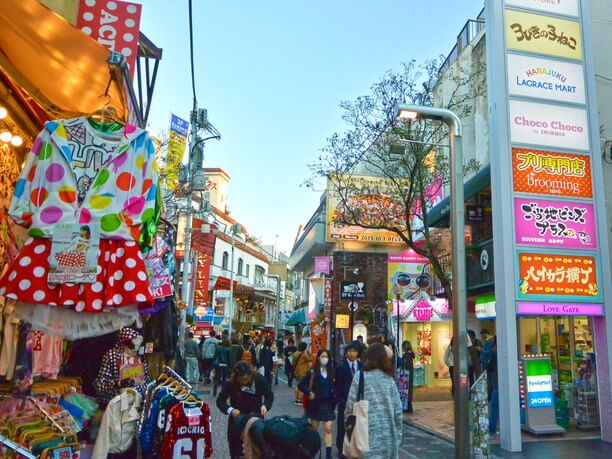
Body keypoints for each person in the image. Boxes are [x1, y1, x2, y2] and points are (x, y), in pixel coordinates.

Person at [345, 343, 402, 459]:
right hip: (388, 438)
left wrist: (350, 431)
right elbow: (398, 411)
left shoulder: (359, 376)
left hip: (363, 438)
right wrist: (397, 437)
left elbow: (349, 408)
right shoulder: (389, 380)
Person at [216, 361, 274, 459]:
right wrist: (230, 410)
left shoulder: (259, 379)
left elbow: (269, 396)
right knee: (236, 451)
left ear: (251, 375)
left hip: (255, 420)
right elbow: (220, 400)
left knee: (257, 449)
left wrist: (265, 406)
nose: (244, 382)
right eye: (241, 380)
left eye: (247, 379)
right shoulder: (231, 383)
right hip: (237, 420)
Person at [299, 349, 336, 459]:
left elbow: (335, 386)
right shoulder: (313, 372)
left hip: (328, 404)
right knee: (314, 430)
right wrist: (309, 392)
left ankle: (328, 455)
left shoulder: (332, 371)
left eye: (326, 356)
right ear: (318, 357)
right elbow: (301, 385)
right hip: (316, 404)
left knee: (328, 428)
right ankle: (312, 453)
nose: (324, 358)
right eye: (322, 356)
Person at [334, 343, 362, 458]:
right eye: (350, 351)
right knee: (343, 427)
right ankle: (341, 450)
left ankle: (355, 448)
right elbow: (337, 386)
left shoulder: (362, 366)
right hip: (344, 402)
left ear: (358, 353)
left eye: (354, 351)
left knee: (357, 427)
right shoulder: (341, 367)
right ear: (346, 353)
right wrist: (340, 400)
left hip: (359, 403)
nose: (352, 353)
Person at [487, 337, 499, 437]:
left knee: (495, 406)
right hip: (507, 383)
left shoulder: (494, 353)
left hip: (496, 382)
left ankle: (492, 428)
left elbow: (489, 366)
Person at [401, 340, 415, 413]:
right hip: (410, 375)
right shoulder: (410, 355)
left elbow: (406, 366)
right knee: (409, 391)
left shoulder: (407, 356)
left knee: (407, 391)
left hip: (407, 376)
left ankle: (408, 407)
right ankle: (409, 407)